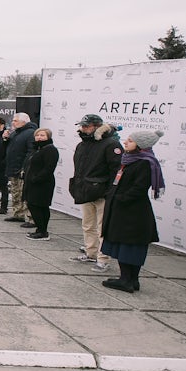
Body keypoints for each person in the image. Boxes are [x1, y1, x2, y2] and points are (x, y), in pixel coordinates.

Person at [100, 129, 165, 293]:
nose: (125, 142)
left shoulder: (144, 162)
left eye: (130, 140)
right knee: (124, 245)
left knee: (130, 247)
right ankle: (129, 279)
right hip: (123, 210)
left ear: (141, 145)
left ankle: (127, 280)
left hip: (133, 213)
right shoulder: (129, 160)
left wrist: (120, 198)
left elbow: (139, 188)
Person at [69, 115, 123, 273]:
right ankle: (91, 252)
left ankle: (103, 258)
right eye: (82, 126)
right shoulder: (82, 144)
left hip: (103, 193)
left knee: (102, 228)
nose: (83, 129)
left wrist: (110, 191)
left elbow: (116, 170)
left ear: (97, 126)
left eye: (87, 126)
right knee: (87, 225)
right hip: (86, 191)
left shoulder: (111, 144)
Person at [23, 128, 59, 240]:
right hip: (32, 182)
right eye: (37, 135)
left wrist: (36, 179)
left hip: (42, 183)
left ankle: (43, 231)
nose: (39, 137)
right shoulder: (37, 149)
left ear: (48, 136)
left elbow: (49, 168)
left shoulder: (50, 149)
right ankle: (40, 229)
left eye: (42, 135)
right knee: (33, 205)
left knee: (39, 206)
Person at [3, 113, 39, 225]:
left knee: (25, 195)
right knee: (15, 193)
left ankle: (31, 218)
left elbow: (31, 151)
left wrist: (24, 167)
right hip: (13, 168)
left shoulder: (30, 133)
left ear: (24, 122)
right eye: (13, 120)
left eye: (15, 121)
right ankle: (18, 214)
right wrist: (5, 139)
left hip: (22, 170)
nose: (13, 123)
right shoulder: (15, 133)